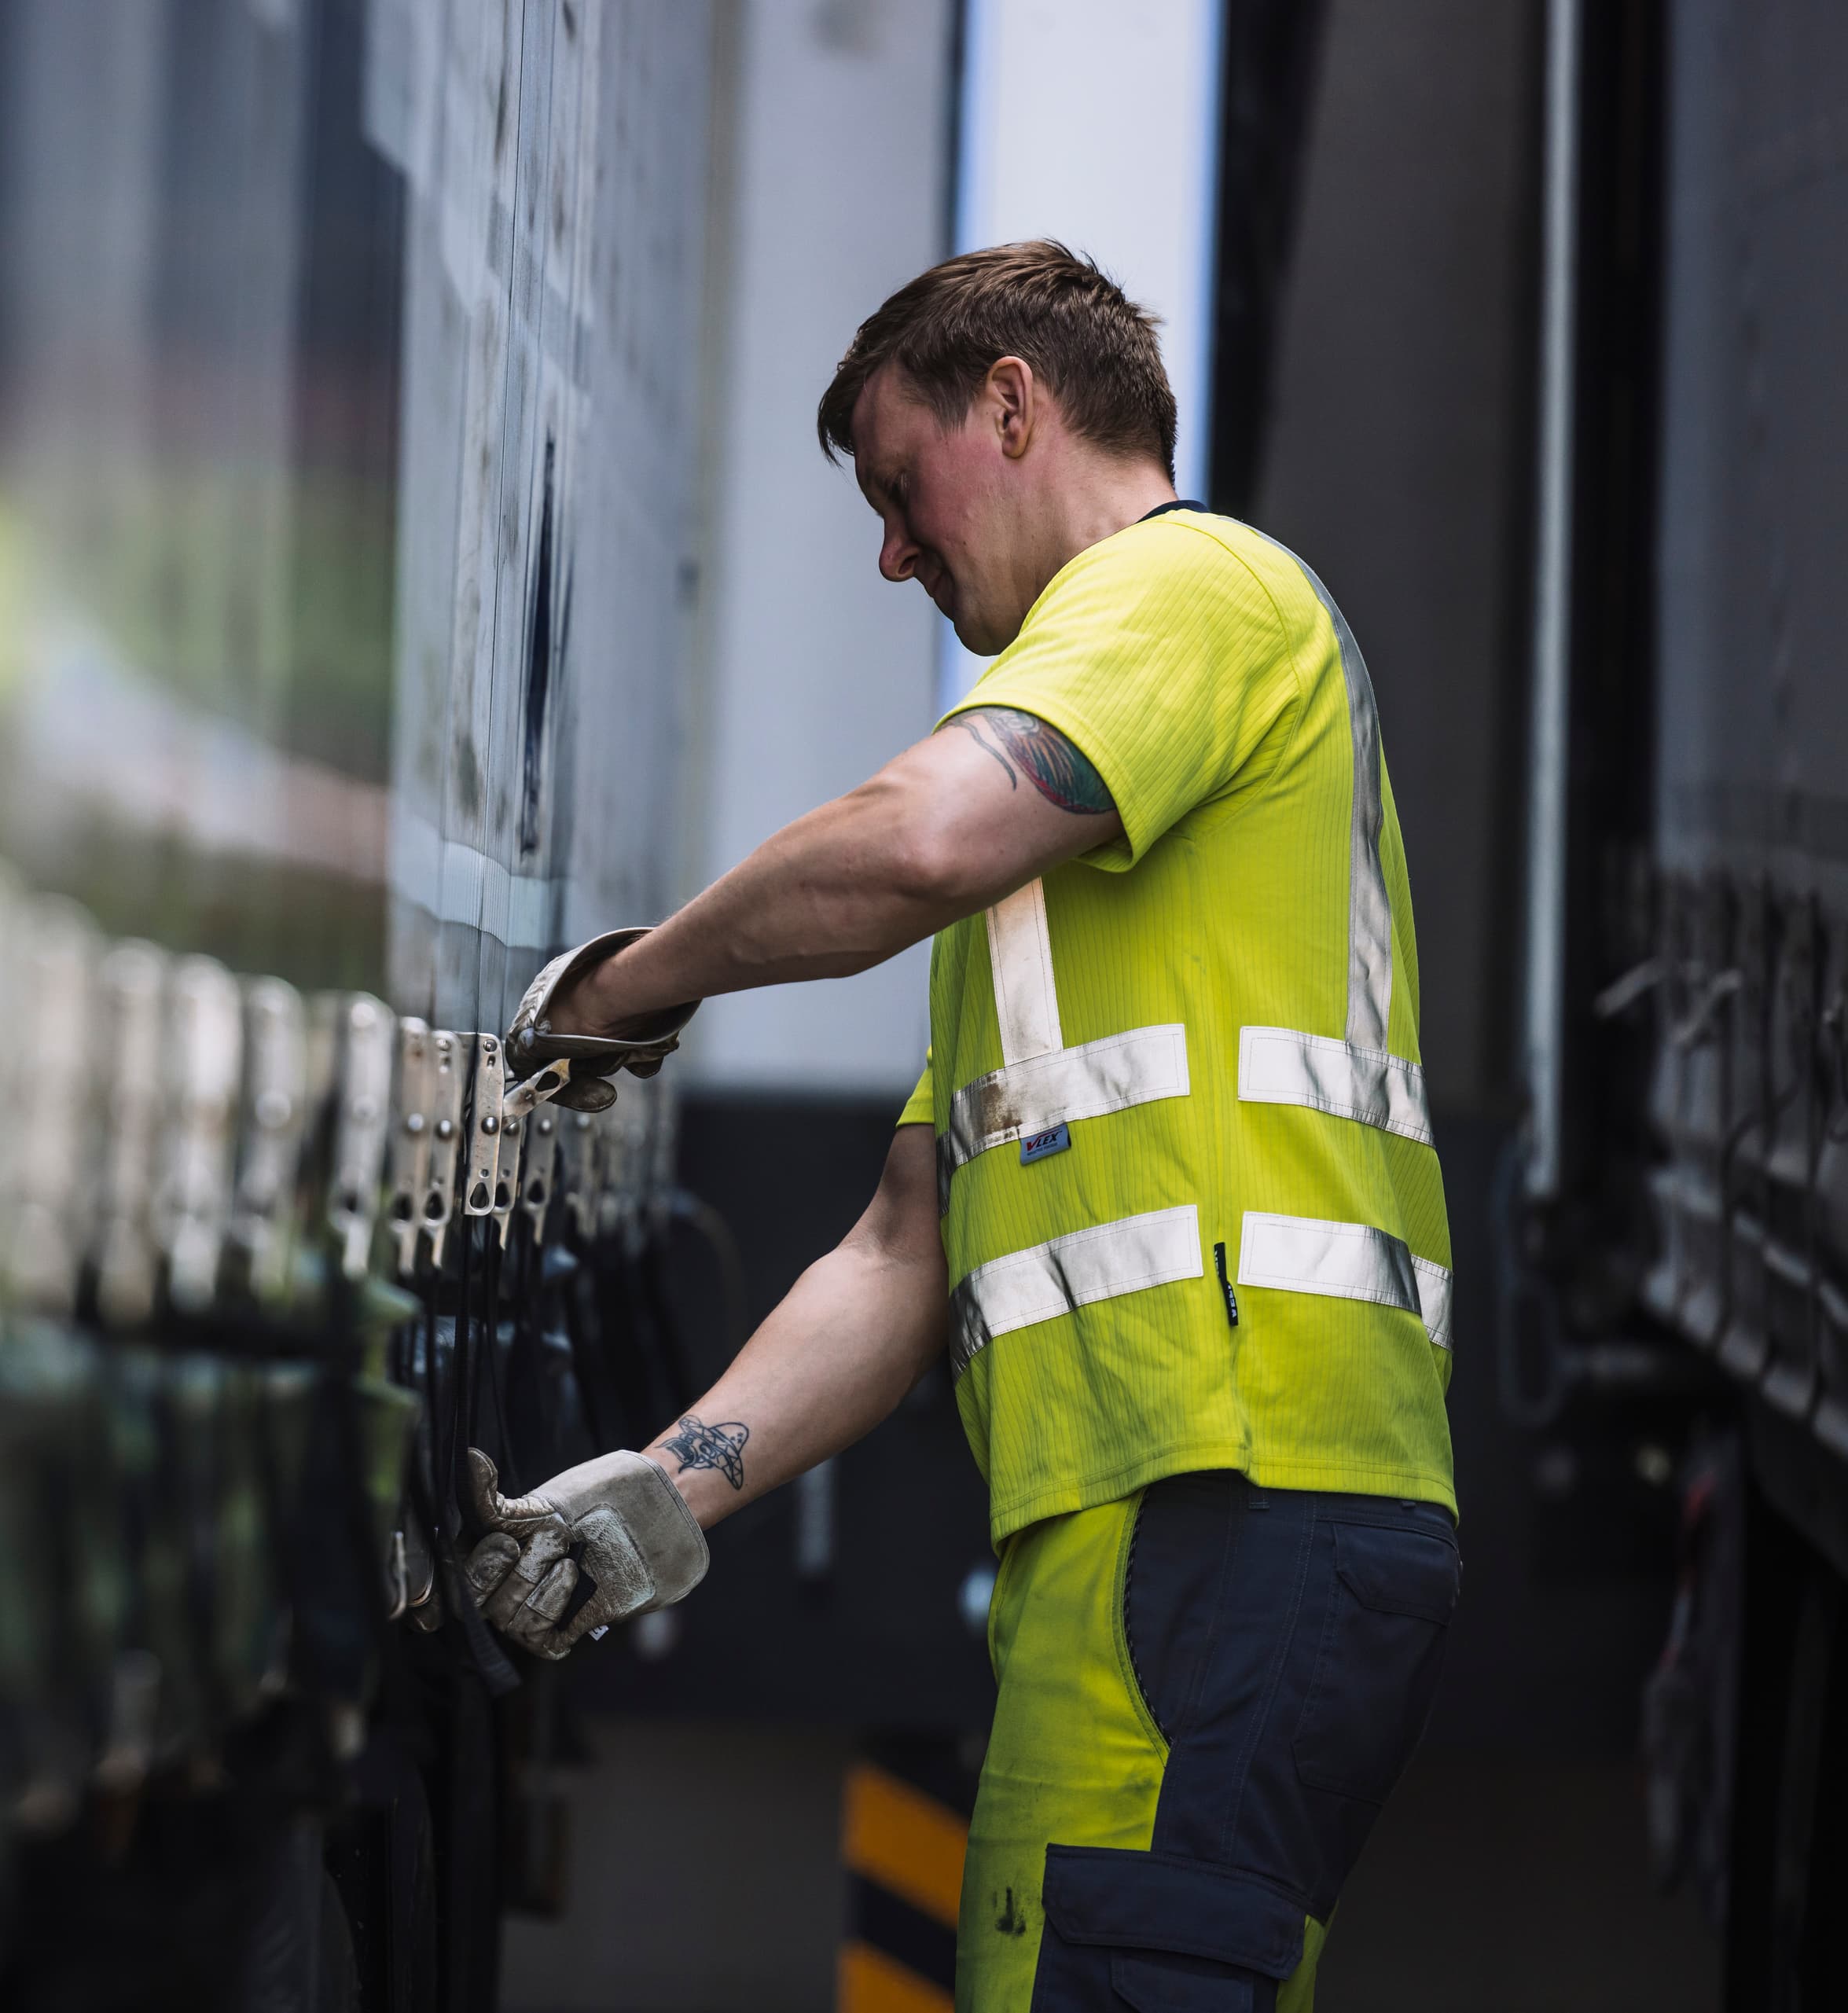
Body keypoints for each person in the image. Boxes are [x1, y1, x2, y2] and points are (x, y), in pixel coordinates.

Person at [472, 241, 1458, 2011]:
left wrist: (631, 986)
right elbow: (902, 1250)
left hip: (1227, 1493)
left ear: (1013, 400)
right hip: (1173, 1517)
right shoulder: (1072, 880)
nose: (891, 552)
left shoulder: (1190, 593)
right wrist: (656, 1499)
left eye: (895, 482)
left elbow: (913, 840)